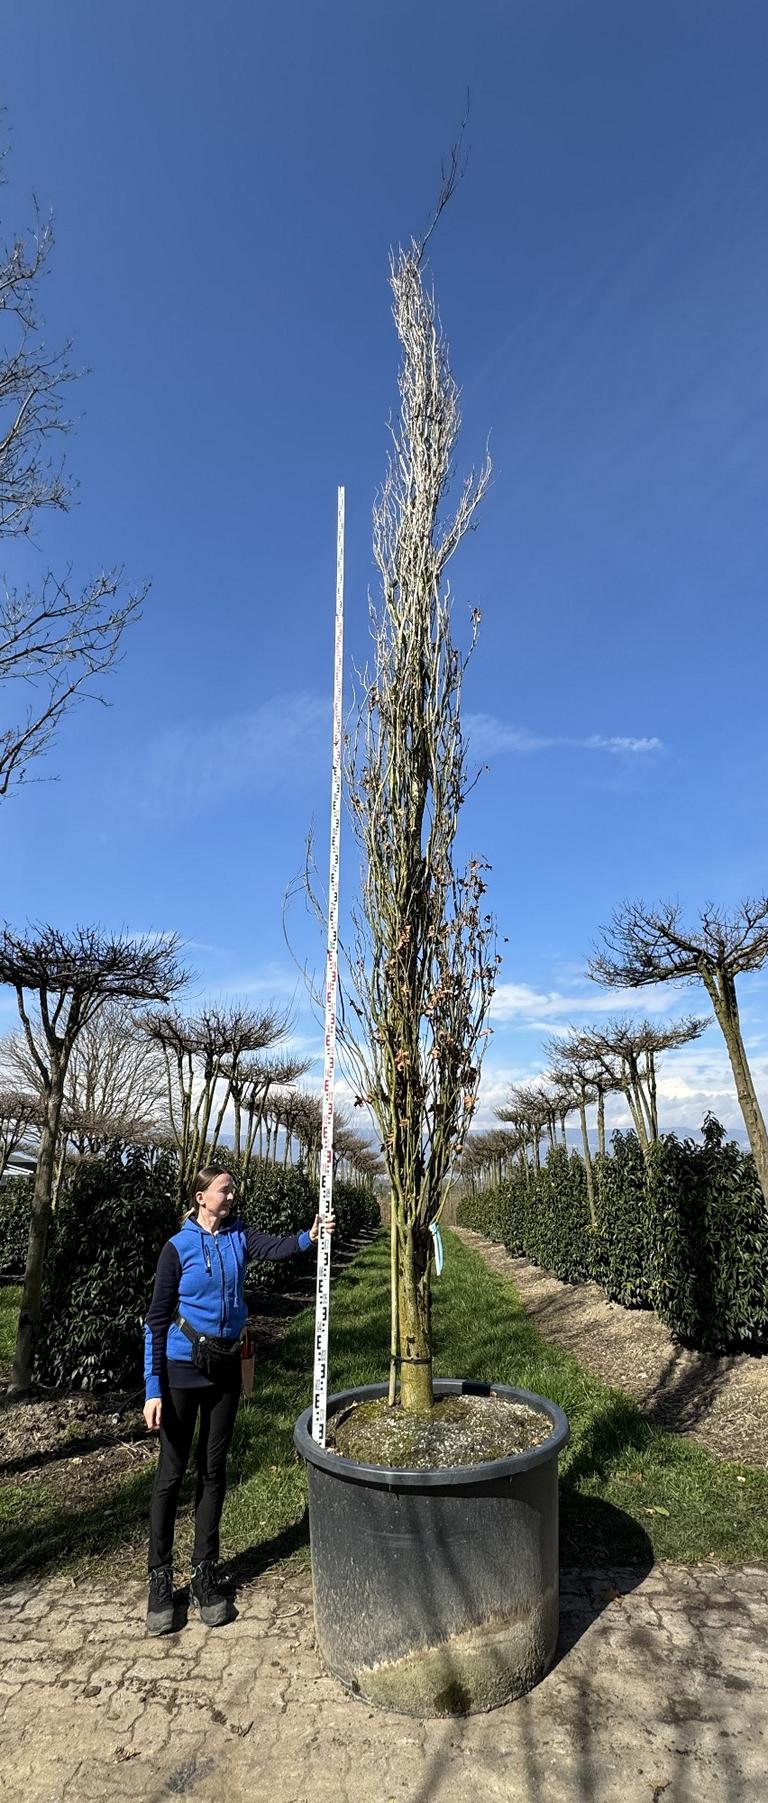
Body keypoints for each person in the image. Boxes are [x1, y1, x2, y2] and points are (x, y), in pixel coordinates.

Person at [143, 1165, 334, 1635]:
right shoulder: (177, 1248)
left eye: (231, 1190)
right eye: (224, 1190)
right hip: (183, 1370)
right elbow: (155, 1319)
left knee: (213, 1470)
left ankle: (205, 1572)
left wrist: (309, 1235)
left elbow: (276, 1248)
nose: (231, 1196)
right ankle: (160, 1579)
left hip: (227, 1367)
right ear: (201, 1196)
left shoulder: (239, 1234)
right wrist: (153, 1388)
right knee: (172, 1472)